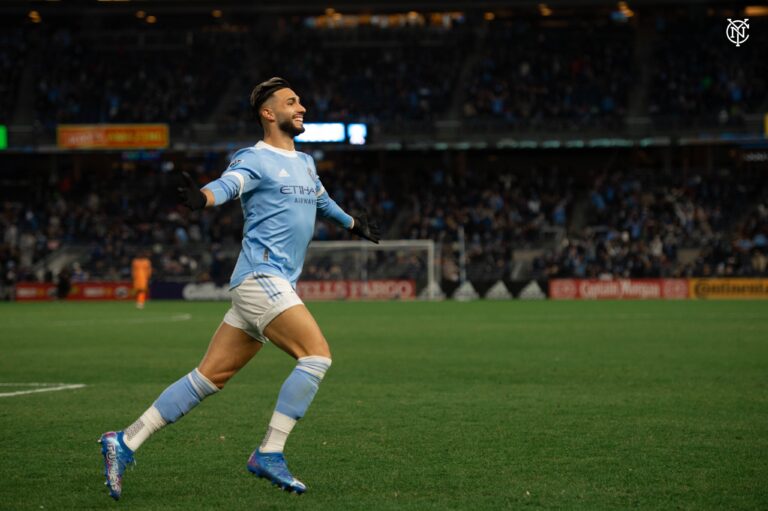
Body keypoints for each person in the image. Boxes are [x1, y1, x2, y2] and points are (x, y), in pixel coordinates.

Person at [99, 77, 380, 500]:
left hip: (271, 283)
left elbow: (322, 200)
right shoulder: (254, 158)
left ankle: (124, 441)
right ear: (269, 114)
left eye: (300, 100)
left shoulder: (305, 163)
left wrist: (353, 224)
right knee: (316, 355)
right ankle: (270, 451)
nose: (301, 107)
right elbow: (229, 185)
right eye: (291, 102)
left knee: (208, 378)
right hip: (260, 277)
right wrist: (203, 198)